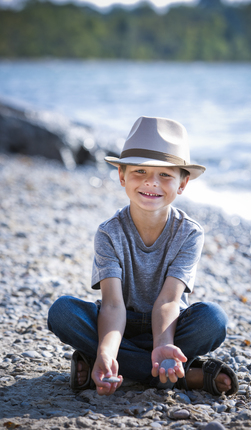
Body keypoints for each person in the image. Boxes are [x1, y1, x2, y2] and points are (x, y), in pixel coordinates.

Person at [48, 116, 238, 397]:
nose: (152, 182)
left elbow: (169, 300)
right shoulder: (109, 233)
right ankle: (179, 375)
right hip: (118, 325)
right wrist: (106, 350)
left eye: (165, 175)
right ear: (122, 175)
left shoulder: (189, 233)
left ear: (183, 183)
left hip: (170, 325)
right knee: (62, 312)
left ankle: (115, 366)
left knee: (213, 319)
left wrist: (162, 343)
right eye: (140, 171)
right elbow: (113, 306)